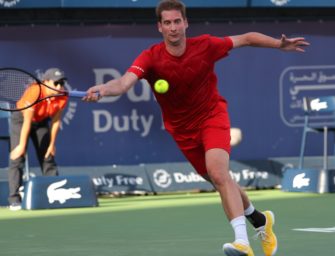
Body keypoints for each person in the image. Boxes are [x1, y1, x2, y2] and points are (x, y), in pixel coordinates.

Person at [83, 1, 310, 255]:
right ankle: (260, 220)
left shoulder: (205, 45)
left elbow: (246, 38)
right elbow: (124, 83)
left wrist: (278, 44)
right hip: (182, 132)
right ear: (160, 27)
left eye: (177, 21)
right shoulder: (150, 57)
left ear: (185, 23)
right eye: (167, 23)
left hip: (212, 116)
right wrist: (103, 89)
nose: (173, 28)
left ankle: (242, 243)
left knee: (218, 172)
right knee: (221, 181)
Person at [8, 68, 68, 211]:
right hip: (21, 120)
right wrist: (22, 146)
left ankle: (55, 195)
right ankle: (14, 200)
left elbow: (56, 121)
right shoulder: (35, 91)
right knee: (18, 157)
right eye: (56, 83)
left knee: (48, 156)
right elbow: (27, 121)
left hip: (41, 122)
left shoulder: (63, 95)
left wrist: (52, 144)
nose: (60, 86)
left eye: (62, 83)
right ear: (46, 82)